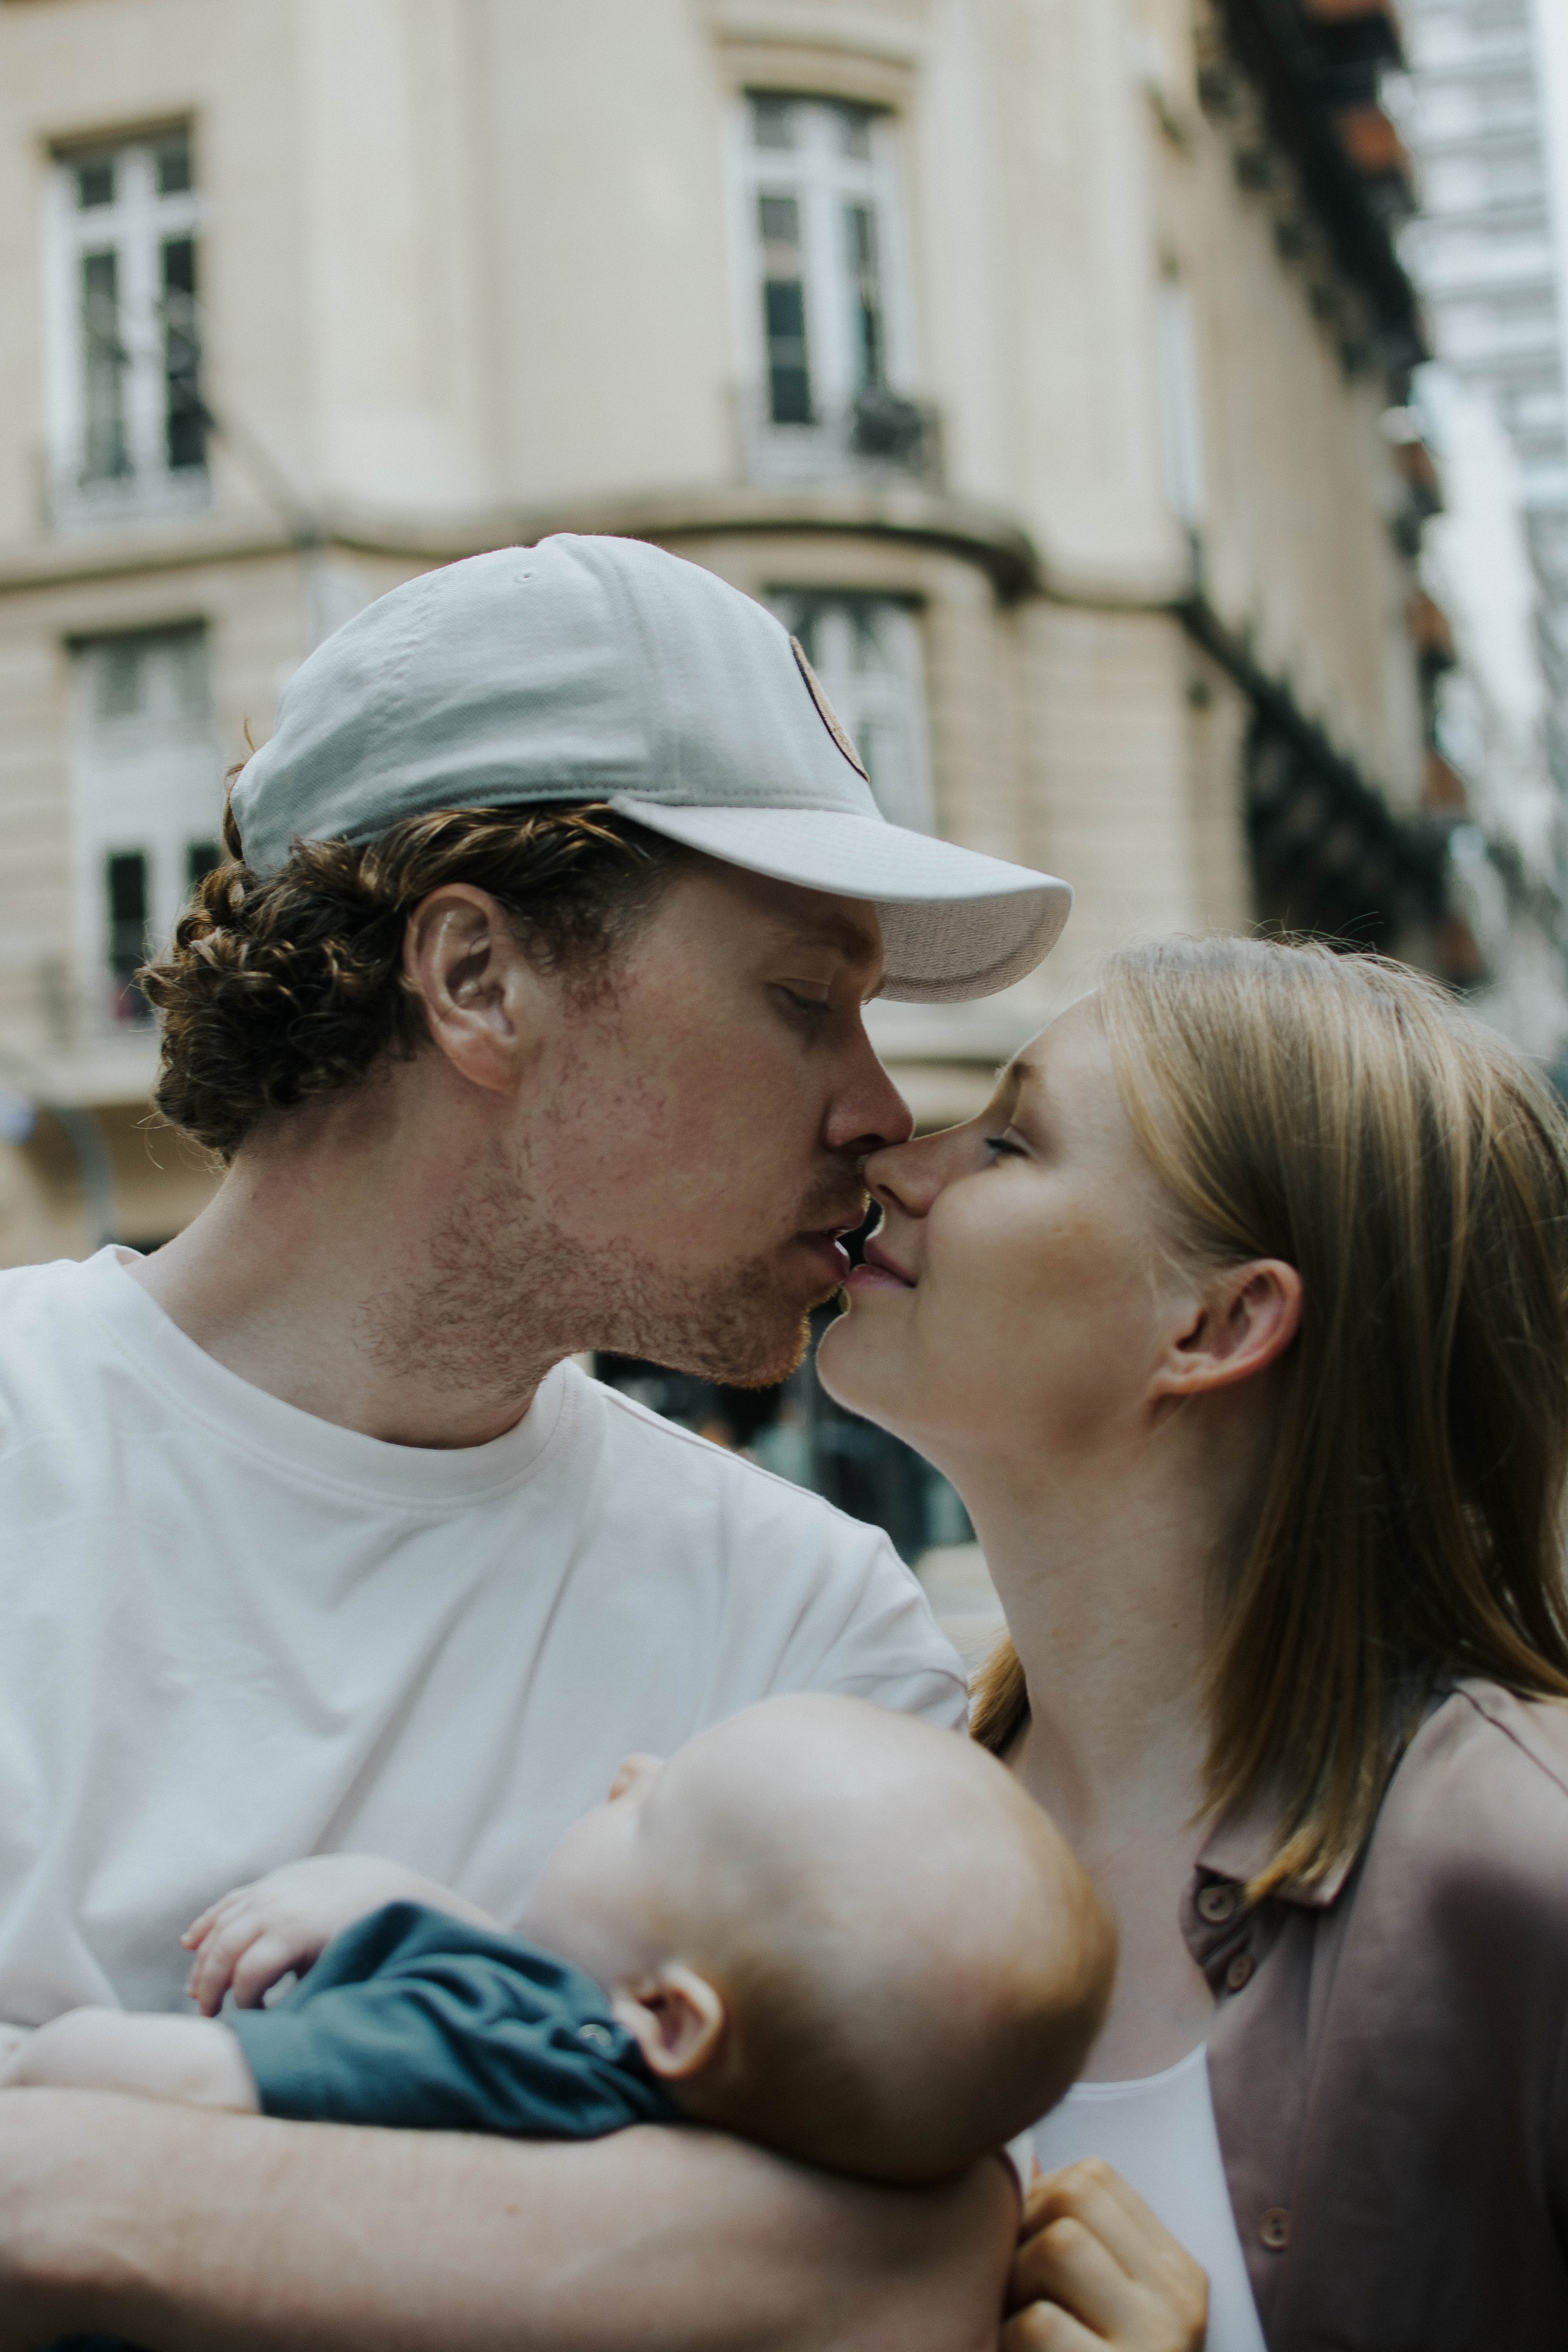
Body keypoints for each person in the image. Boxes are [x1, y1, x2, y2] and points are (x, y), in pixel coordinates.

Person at [0, 535, 1202, 2351]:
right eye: (805, 997)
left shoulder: (801, 1619)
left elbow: (915, 2272)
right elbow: (835, 2273)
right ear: (479, 977)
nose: (881, 1110)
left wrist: (70, 2191)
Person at [818, 930, 1568, 2351]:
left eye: (1008, 1144)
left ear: (1217, 1323)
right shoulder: (864, 1807)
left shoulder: (1528, 1869)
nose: (898, 1162)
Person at [5, 1695, 1114, 2187]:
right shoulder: (735, 2128)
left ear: (669, 2015)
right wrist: (401, 1906)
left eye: (657, 1812)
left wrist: (52, 2055)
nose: (631, 1770)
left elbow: (161, 2085)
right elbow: (552, 1985)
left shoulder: (501, 2052)